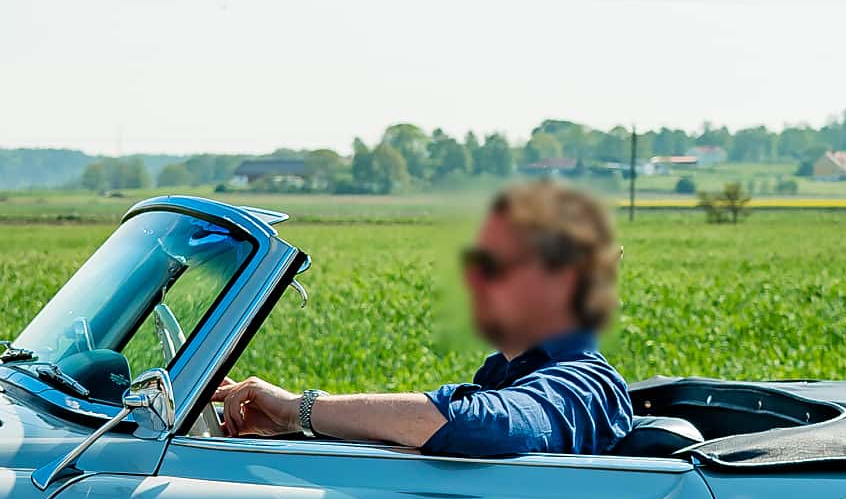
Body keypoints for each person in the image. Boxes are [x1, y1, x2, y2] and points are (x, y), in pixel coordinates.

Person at [210, 180, 634, 457]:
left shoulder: (585, 384)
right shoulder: (505, 373)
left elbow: (468, 424)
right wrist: (297, 430)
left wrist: (297, 408)